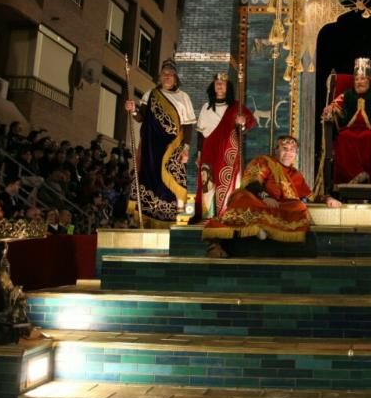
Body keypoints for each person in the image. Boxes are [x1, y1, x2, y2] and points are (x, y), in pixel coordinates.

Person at [202, 135, 340, 256]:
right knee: (242, 197)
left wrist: (327, 198)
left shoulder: (294, 174)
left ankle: (266, 229)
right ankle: (220, 242)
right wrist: (265, 196)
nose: (288, 153)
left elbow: (310, 195)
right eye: (284, 149)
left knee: (298, 206)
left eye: (292, 151)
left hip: (280, 205)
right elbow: (252, 181)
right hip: (258, 199)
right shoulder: (264, 161)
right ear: (276, 150)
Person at [125, 60, 196, 224]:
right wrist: (133, 109)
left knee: (175, 180)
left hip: (173, 147)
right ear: (160, 77)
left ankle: (178, 218)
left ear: (176, 78)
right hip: (151, 148)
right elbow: (140, 117)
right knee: (151, 181)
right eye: (164, 74)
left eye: (171, 74)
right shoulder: (150, 94)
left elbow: (188, 125)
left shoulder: (183, 97)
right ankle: (147, 220)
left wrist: (186, 148)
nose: (167, 77)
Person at [322, 57, 371, 185]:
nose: (359, 82)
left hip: (369, 132)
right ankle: (358, 174)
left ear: (368, 80)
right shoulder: (346, 94)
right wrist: (329, 108)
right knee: (342, 138)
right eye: (356, 79)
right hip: (348, 131)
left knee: (368, 138)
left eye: (362, 79)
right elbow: (334, 105)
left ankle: (363, 175)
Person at [195, 73, 255, 221]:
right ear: (213, 86)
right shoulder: (206, 107)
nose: (220, 85)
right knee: (207, 182)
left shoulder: (236, 106)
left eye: (223, 83)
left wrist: (242, 122)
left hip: (228, 149)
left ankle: (225, 214)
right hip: (209, 149)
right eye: (217, 83)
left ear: (228, 87)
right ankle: (207, 217)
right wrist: (198, 153)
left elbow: (250, 122)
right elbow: (200, 134)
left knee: (226, 181)